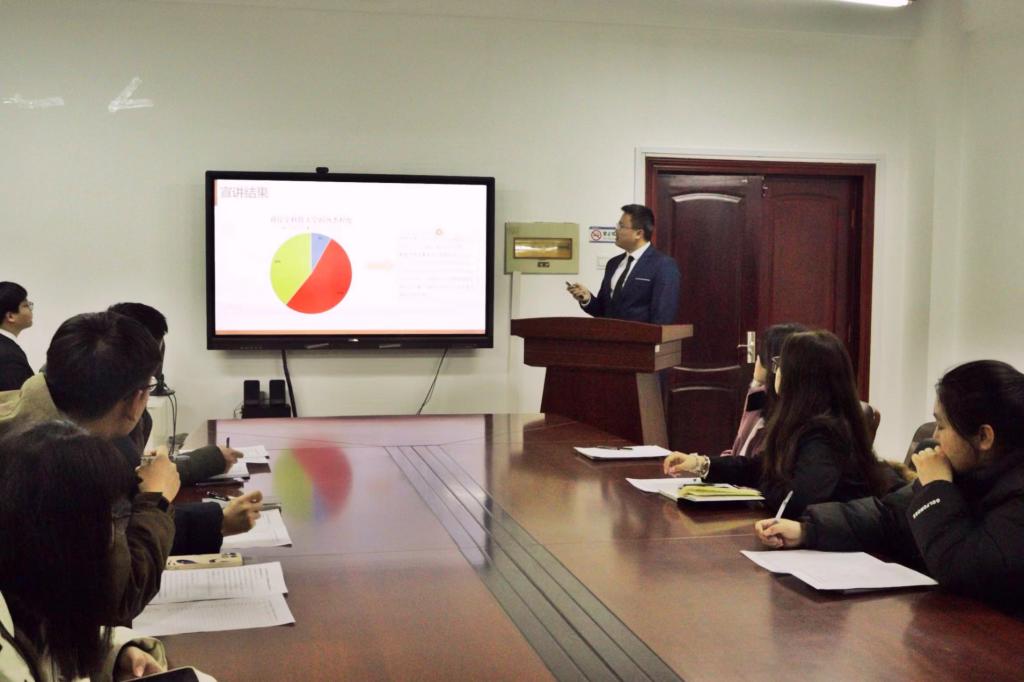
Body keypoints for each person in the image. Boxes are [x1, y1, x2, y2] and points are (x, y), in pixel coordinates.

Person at [0, 312, 259, 617]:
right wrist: (157, 499)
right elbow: (117, 596)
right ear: (137, 399)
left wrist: (211, 520)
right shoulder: (65, 468)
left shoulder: (19, 417)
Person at [755, 360, 1024, 617]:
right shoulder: (965, 471)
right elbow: (888, 515)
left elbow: (961, 569)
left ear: (984, 437)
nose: (934, 438)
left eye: (942, 426)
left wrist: (936, 489)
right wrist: (808, 530)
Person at [0, 422, 216, 681]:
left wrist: (113, 655)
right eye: (110, 524)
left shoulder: (26, 591)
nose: (114, 539)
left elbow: (49, 633)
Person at [663, 330, 895, 519]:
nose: (776, 371)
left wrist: (765, 482)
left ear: (802, 378)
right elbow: (759, 466)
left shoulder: (824, 435)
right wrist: (701, 464)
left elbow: (796, 503)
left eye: (781, 364)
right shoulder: (804, 422)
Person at [108, 302, 243, 485]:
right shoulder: (110, 427)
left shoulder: (120, 412)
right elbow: (138, 483)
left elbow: (139, 474)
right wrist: (211, 460)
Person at [566, 204, 681, 325]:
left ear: (638, 233)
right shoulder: (613, 264)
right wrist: (587, 298)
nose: (616, 230)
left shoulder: (663, 265)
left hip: (641, 337)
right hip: (609, 335)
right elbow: (603, 311)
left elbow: (662, 318)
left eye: (621, 226)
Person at [720, 323, 808, 459]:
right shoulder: (757, 395)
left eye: (761, 355)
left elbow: (756, 464)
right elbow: (741, 447)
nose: (757, 360)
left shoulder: (792, 413)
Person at [0, 281, 34, 391]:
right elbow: (17, 398)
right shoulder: (9, 356)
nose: (30, 309)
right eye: (25, 305)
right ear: (10, 316)